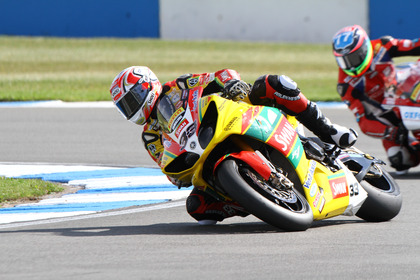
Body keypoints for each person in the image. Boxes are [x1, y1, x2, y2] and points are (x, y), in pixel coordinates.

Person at [109, 66, 358, 225]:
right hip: (203, 152)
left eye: (131, 101)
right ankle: (253, 197)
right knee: (198, 207)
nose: (130, 110)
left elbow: (215, 76)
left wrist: (230, 83)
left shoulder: (178, 86)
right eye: (125, 108)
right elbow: (166, 166)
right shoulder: (150, 136)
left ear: (147, 87)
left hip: (231, 117)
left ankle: (329, 131)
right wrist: (179, 176)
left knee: (274, 83)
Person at [332, 24, 420, 174]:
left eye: (353, 58)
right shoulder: (346, 85)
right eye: (344, 61)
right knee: (399, 159)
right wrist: (390, 132)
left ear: (364, 49)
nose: (350, 65)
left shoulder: (382, 46)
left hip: (404, 88)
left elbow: (413, 45)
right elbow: (364, 121)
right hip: (386, 112)